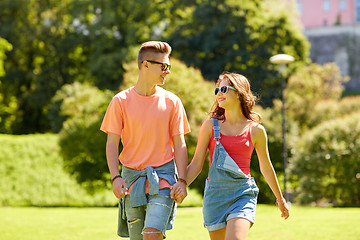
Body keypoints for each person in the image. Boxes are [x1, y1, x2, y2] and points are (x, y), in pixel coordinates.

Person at [182, 72, 289, 240]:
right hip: (215, 195)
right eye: (217, 90)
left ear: (239, 93)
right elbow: (196, 164)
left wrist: (280, 199)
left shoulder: (256, 130)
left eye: (224, 89)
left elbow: (266, 167)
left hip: (242, 193)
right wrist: (181, 185)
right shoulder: (209, 126)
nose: (219, 93)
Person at [100, 41, 190, 240]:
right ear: (145, 65)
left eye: (169, 67)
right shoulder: (120, 101)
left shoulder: (172, 101)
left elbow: (180, 144)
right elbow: (112, 144)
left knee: (151, 234)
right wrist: (116, 177)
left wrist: (182, 180)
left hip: (164, 179)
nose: (167, 72)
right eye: (163, 66)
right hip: (132, 180)